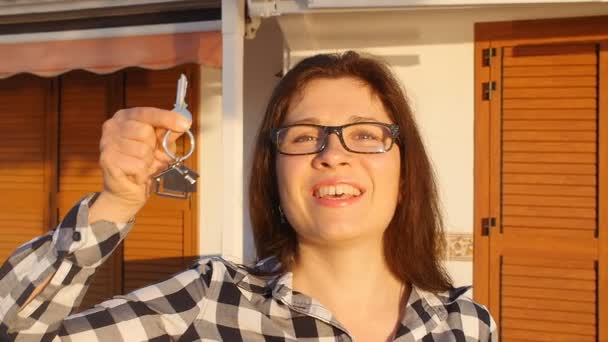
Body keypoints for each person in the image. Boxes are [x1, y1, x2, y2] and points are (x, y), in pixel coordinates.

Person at [0, 51, 496, 341]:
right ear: (274, 176)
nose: (333, 153)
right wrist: (116, 202)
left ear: (406, 174)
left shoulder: (468, 326)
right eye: (303, 137)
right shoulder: (202, 303)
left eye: (365, 135)